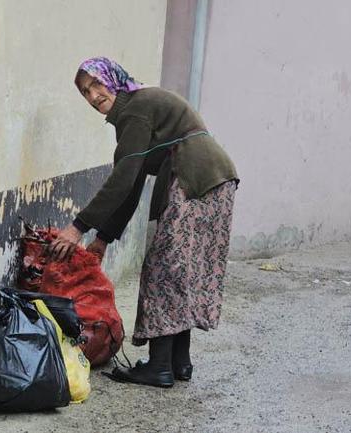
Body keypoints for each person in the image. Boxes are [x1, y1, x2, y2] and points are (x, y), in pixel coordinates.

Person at [47, 57, 239, 388]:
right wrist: (103, 238)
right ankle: (179, 362)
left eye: (97, 85)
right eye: (85, 92)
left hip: (194, 179)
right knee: (181, 271)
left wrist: (77, 228)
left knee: (164, 271)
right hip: (212, 180)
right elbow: (132, 184)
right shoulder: (135, 110)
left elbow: (122, 179)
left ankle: (159, 366)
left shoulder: (135, 109)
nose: (94, 96)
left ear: (113, 78)